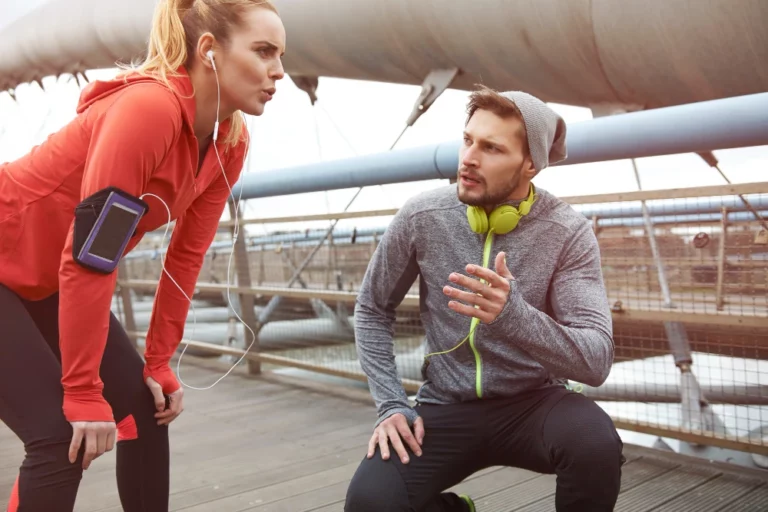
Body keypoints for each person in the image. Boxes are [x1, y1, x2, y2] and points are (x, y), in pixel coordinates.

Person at [0, 0, 285, 510]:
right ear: (209, 51)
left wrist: (159, 360)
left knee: (143, 405)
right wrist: (83, 389)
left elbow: (186, 255)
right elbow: (91, 256)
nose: (279, 71)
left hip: (46, 278)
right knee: (57, 436)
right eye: (263, 51)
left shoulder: (230, 140)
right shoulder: (147, 111)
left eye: (281, 54)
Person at [345, 86, 625, 512]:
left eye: (491, 148)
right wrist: (390, 405)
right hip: (444, 405)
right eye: (468, 140)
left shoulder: (568, 232)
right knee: (369, 503)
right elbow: (372, 309)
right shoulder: (422, 217)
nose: (468, 159)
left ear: (531, 164)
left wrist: (511, 314)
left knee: (595, 444)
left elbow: (596, 360)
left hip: (534, 403)